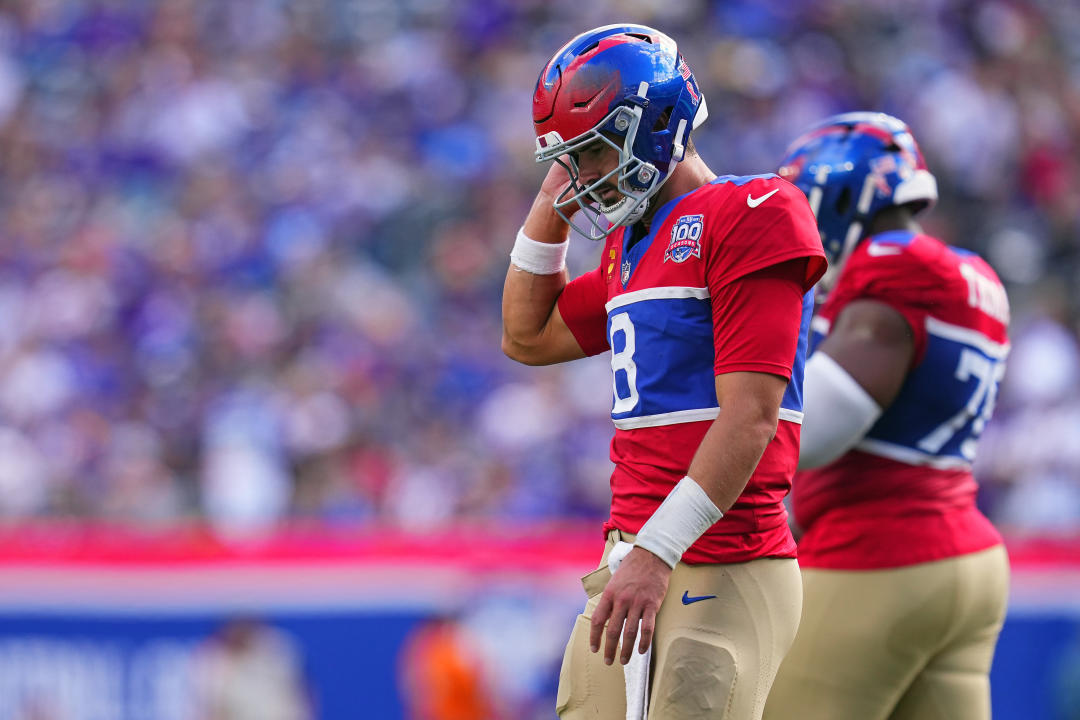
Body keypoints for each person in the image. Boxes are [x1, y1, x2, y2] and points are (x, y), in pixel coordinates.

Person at [501, 24, 826, 719]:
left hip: (723, 561)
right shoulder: (629, 244)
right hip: (631, 558)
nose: (580, 177)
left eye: (589, 152)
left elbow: (752, 417)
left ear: (655, 126)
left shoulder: (748, 213)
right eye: (569, 159)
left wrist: (657, 552)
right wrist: (549, 192)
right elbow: (527, 336)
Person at [762, 112, 1011, 720]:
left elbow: (814, 431)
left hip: (881, 554)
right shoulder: (974, 273)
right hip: (966, 556)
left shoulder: (892, 266)